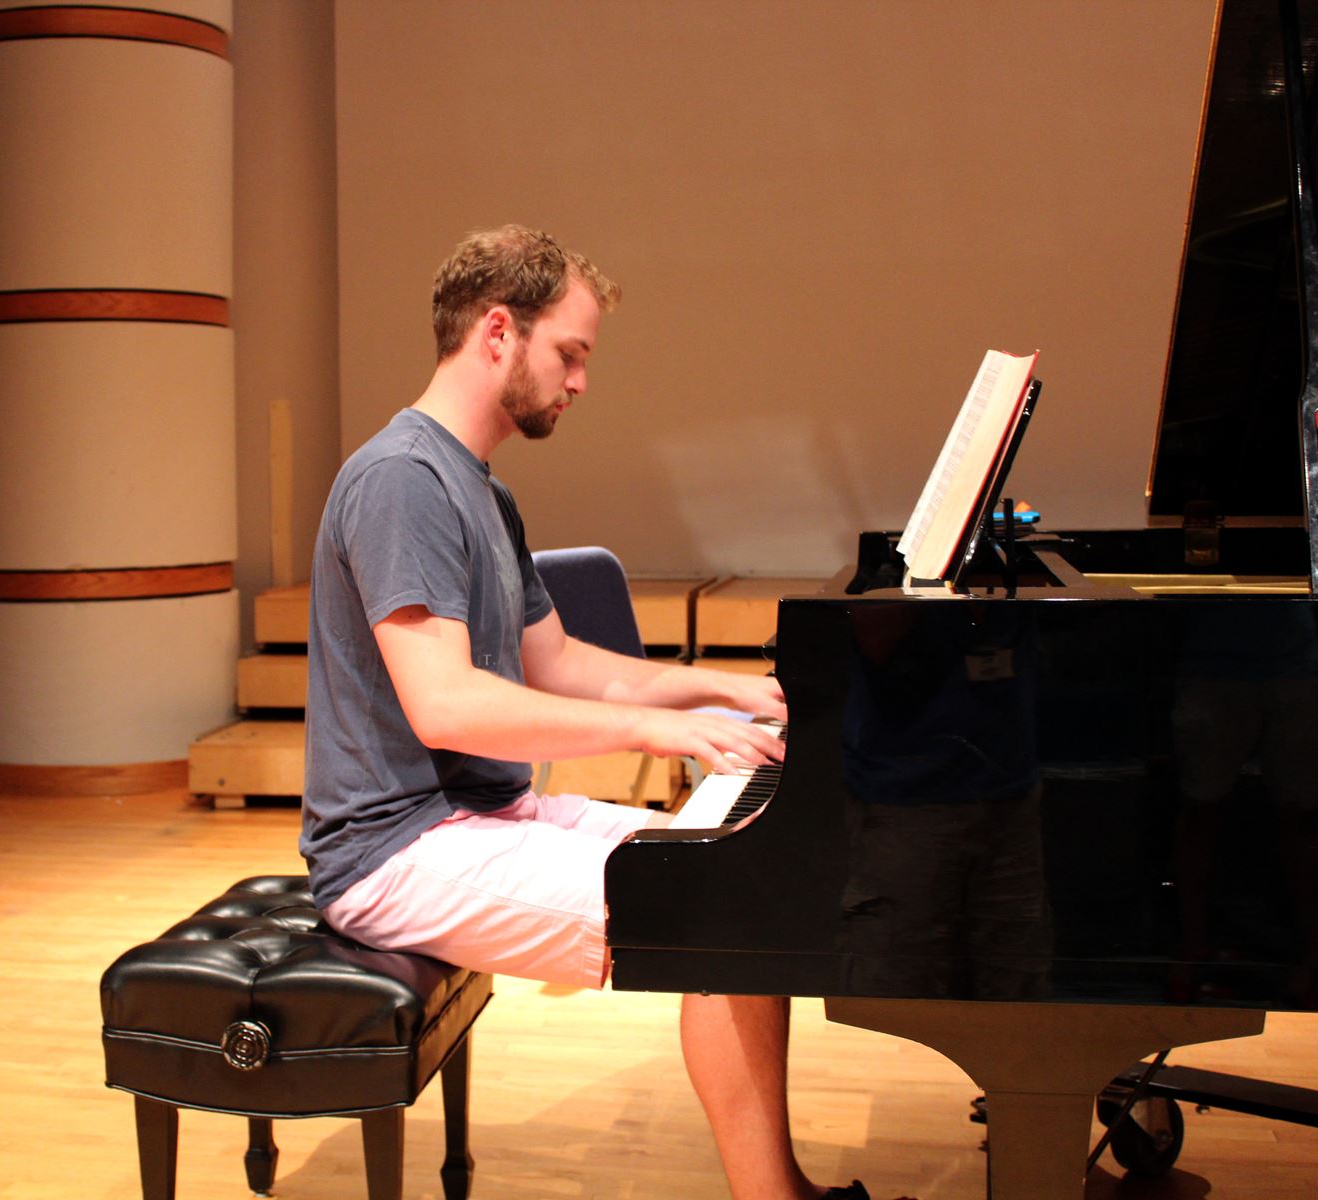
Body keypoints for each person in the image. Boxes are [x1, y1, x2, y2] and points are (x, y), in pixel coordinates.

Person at [300, 224, 882, 1200]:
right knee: (720, 911)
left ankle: (783, 1186)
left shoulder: (480, 490)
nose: (580, 381)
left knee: (745, 868)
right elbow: (445, 706)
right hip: (392, 850)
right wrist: (654, 730)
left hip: (483, 813)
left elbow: (560, 663)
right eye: (569, 353)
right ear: (498, 333)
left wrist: (723, 687)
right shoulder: (401, 482)